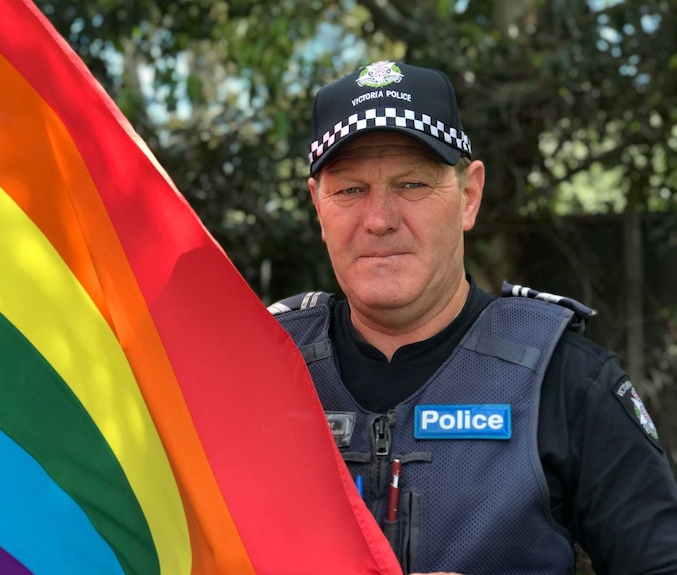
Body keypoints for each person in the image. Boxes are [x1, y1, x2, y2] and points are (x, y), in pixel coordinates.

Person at [269, 60, 677, 575]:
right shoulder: (262, 374)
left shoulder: (566, 381)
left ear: (469, 196)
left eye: (412, 184)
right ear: (317, 206)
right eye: (350, 189)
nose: (379, 220)